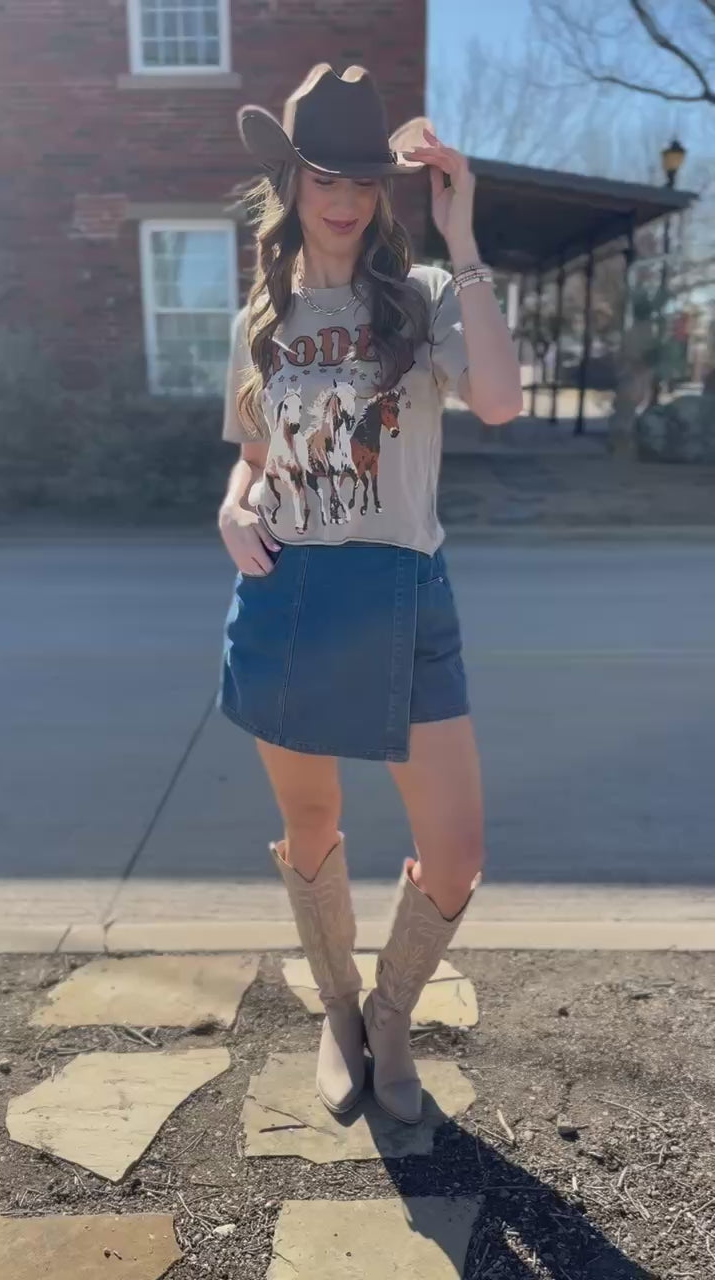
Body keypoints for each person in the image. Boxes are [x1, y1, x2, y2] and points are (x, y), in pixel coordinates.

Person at [217, 64, 522, 1125]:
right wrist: (231, 505)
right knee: (310, 823)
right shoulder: (263, 312)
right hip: (289, 596)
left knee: (459, 849)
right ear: (290, 181)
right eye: (321, 175)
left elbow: (498, 399)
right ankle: (338, 1011)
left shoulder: (426, 299)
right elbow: (252, 457)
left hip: (404, 589)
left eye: (360, 177)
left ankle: (392, 1011)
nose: (343, 196)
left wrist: (465, 239)